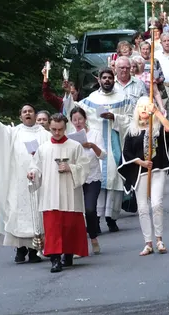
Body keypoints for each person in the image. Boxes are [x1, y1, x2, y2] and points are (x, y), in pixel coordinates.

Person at [62, 68, 132, 233]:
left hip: (114, 145)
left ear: (113, 79)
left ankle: (112, 219)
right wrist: (67, 94)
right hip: (94, 144)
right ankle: (96, 220)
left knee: (115, 179)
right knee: (96, 183)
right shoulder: (91, 100)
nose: (107, 80)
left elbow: (131, 119)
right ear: (99, 80)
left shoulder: (123, 98)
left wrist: (114, 117)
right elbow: (73, 111)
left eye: (110, 78)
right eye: (104, 78)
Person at [0, 100, 51, 264]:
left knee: (36, 214)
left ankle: (34, 250)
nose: (28, 113)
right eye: (24, 111)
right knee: (18, 214)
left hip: (39, 183)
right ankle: (20, 249)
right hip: (18, 181)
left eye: (30, 111)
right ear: (20, 116)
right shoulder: (13, 132)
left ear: (35, 115)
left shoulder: (45, 134)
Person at [27, 114, 90, 273]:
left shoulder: (75, 146)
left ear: (65, 127)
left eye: (60, 129)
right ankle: (55, 260)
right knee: (53, 228)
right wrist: (33, 173)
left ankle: (68, 255)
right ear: (49, 127)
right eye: (54, 129)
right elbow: (36, 167)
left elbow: (85, 167)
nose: (57, 133)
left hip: (70, 193)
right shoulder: (43, 148)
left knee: (69, 227)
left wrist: (70, 168)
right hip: (50, 194)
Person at [118, 97, 169, 256]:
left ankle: (159, 239)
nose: (143, 109)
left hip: (157, 170)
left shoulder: (157, 127)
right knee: (142, 208)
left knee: (156, 204)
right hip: (140, 172)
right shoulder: (132, 130)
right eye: (140, 107)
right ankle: (148, 243)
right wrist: (140, 162)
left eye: (146, 106)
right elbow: (126, 153)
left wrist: (157, 112)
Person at [69, 107, 106, 254]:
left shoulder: (95, 134)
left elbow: (103, 155)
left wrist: (92, 146)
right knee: (77, 212)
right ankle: (79, 245)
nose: (78, 122)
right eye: (75, 120)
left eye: (80, 119)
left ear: (85, 119)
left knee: (90, 209)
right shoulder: (69, 137)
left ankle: (93, 238)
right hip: (76, 178)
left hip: (92, 178)